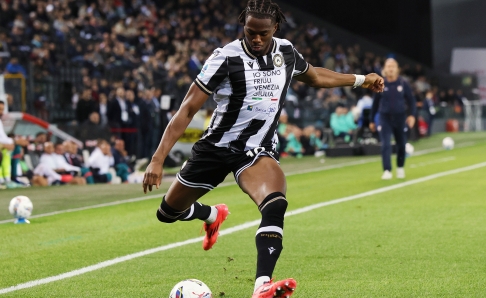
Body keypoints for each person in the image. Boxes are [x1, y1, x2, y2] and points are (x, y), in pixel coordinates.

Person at [142, 1, 384, 297]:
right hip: (215, 148)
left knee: (275, 204)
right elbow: (187, 109)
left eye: (263, 34)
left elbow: (316, 76)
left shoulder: (285, 51)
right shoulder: (224, 58)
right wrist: (157, 160)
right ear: (243, 25)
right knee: (167, 213)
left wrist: (360, 80)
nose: (256, 39)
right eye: (250, 32)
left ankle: (262, 286)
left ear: (275, 29)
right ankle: (210, 215)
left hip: (257, 150)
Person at [370, 58, 416, 180]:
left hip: (400, 117)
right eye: (388, 66)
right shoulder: (380, 83)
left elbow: (411, 101)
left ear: (397, 69)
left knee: (401, 144)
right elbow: (375, 103)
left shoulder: (403, 83)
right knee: (385, 143)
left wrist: (412, 115)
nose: (390, 69)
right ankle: (387, 170)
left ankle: (400, 166)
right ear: (384, 69)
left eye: (393, 66)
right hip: (385, 117)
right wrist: (371, 120)